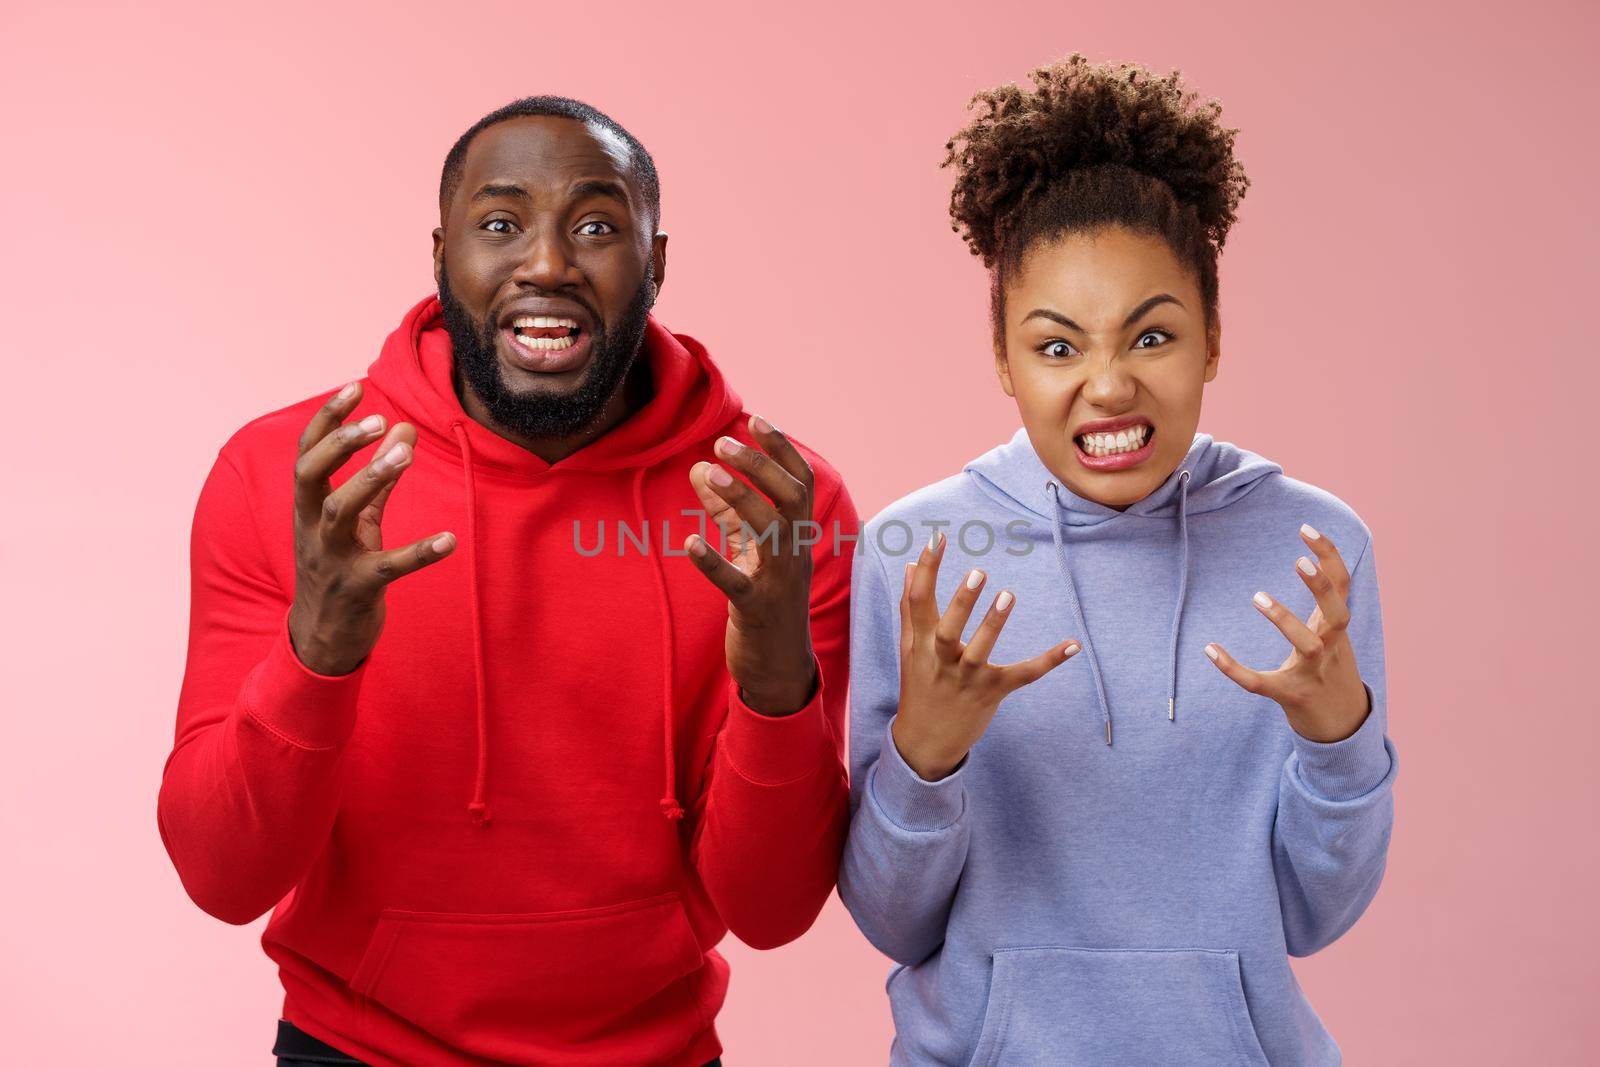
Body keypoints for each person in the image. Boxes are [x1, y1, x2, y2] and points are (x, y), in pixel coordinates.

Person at [159, 95, 857, 1067]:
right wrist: (317, 647)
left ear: (656, 261)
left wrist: (778, 681)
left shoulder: (774, 503)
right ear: (441, 255)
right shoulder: (293, 473)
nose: (547, 263)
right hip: (355, 1047)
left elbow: (773, 910)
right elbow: (220, 874)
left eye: (597, 226)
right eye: (500, 224)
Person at [838, 55, 1398, 1065]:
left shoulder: (1312, 548)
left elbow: (1316, 917)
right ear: (1002, 355)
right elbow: (891, 921)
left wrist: (1335, 740)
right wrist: (924, 756)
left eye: (1151, 335)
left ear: (1213, 336)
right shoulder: (914, 554)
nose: (1107, 385)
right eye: (1057, 347)